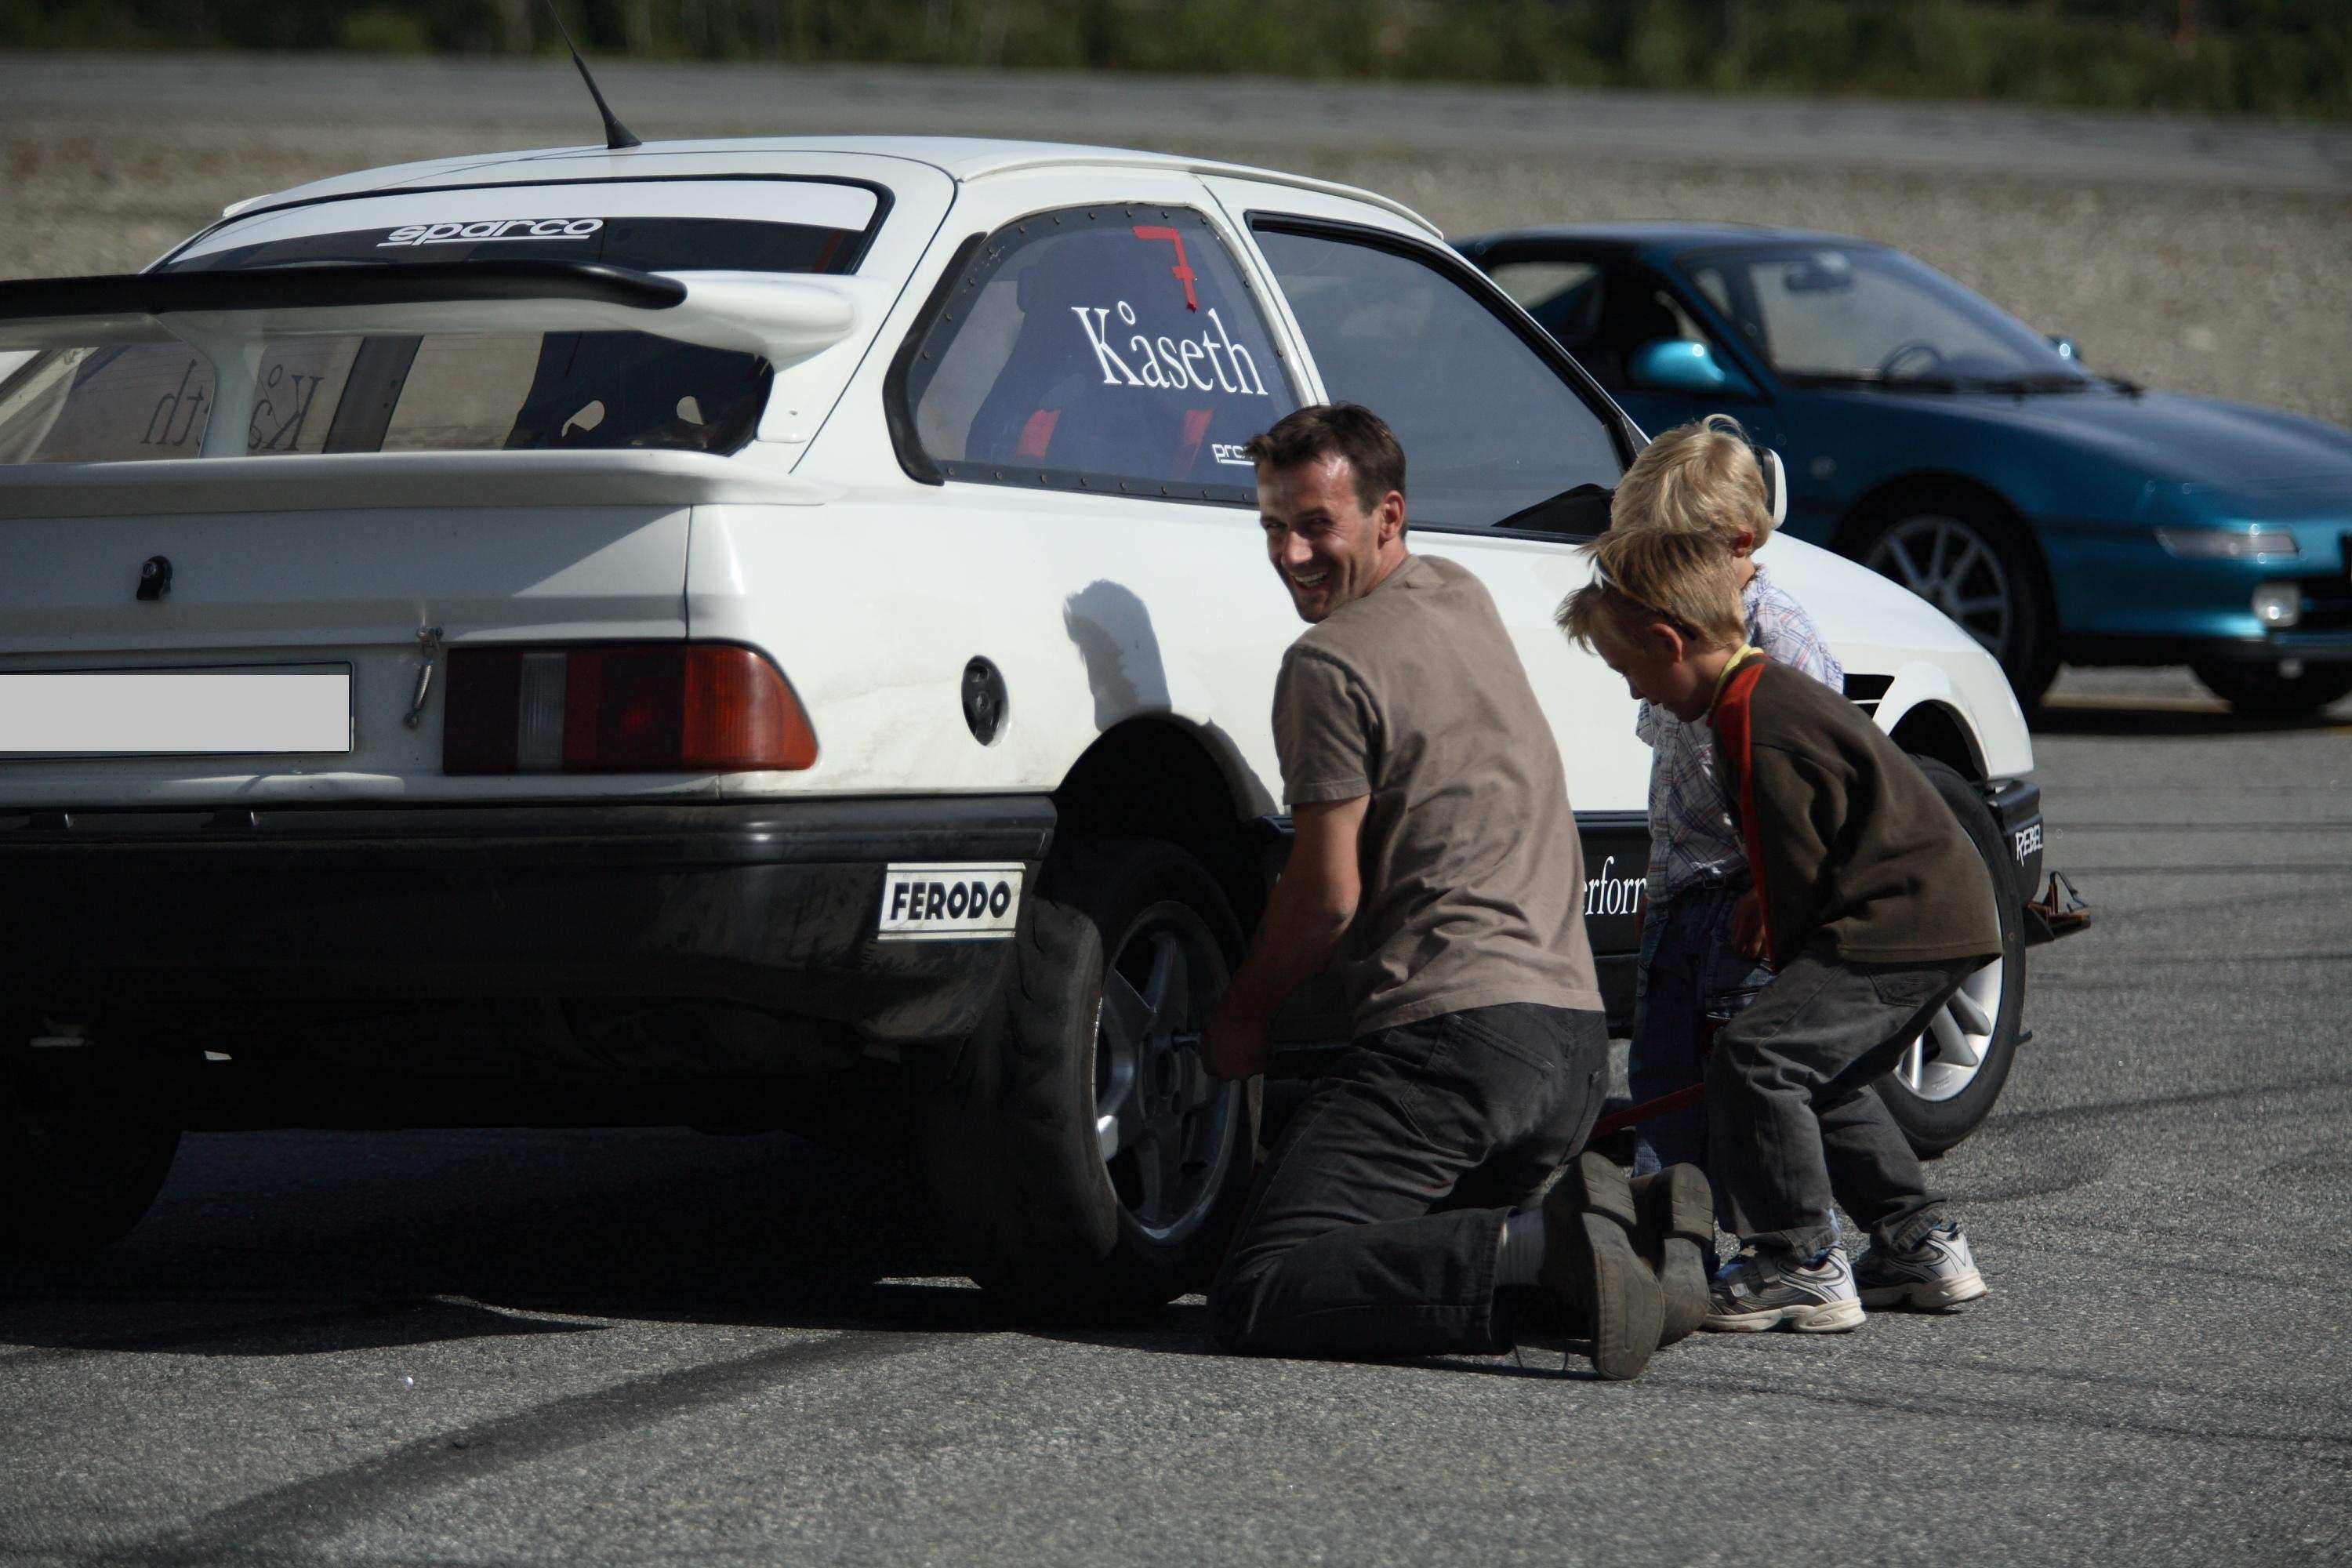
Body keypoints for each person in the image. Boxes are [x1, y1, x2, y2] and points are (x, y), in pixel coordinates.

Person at [1200, 403, 1708, 1381]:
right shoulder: (1458, 589)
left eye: (1316, 524)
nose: (1292, 553)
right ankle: (1630, 1243)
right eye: (1272, 524)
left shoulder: (1327, 662)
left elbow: (1326, 896)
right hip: (1568, 1051)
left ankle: (1550, 1248)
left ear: (1388, 515)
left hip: (1454, 1049)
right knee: (1385, 1263)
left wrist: (1243, 1016)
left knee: (1264, 1283)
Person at [1557, 528, 1995, 1333]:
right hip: (1934, 909)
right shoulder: (1754, 697)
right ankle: (1918, 1243)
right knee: (1817, 1075)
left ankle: (1798, 1258)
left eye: (1632, 672)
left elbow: (1798, 849)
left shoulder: (1753, 713)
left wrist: (1772, 928)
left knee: (1758, 1056)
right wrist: (1764, 898)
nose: (1635, 694)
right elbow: (1793, 835)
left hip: (1899, 914)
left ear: (1668, 641)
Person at [1610, 416, 1842, 1191]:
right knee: (1661, 1074)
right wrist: (1659, 882)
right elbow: (1674, 768)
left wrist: (1766, 888)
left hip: (1745, 902)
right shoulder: (1675, 630)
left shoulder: (1783, 640)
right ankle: (1667, 1232)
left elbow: (1820, 791)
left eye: (1674, 557)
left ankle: (1776, 1239)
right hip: (1680, 888)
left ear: (1741, 544)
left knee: (1740, 1078)